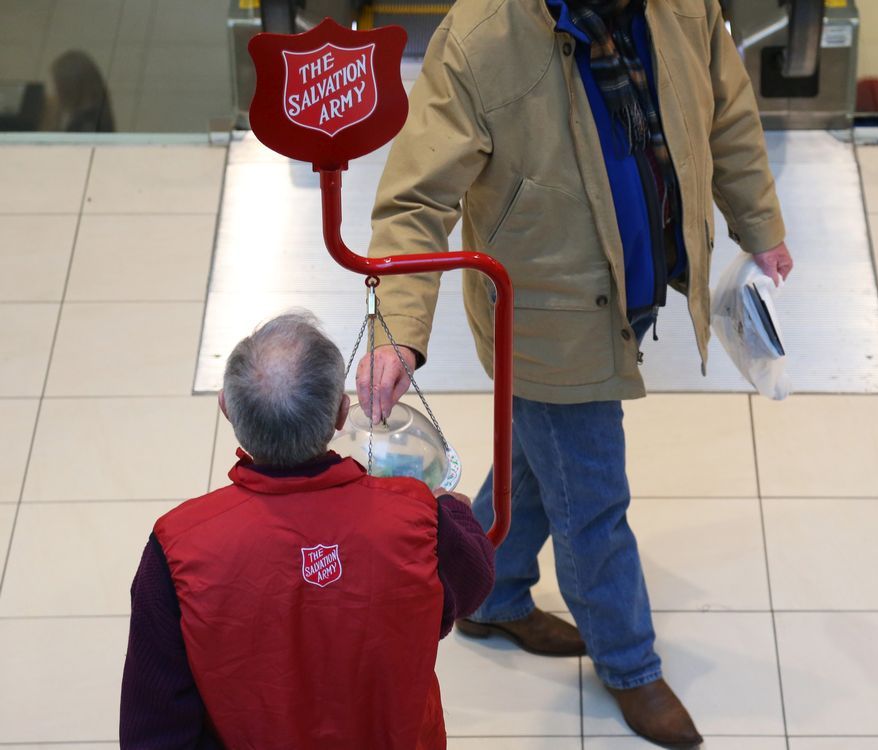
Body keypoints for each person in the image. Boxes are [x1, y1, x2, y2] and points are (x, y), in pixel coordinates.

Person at [359, 0, 794, 746]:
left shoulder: (682, 7)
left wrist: (760, 224)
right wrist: (398, 333)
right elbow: (415, 199)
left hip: (632, 289)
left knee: (543, 450)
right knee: (592, 499)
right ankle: (630, 665)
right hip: (544, 319)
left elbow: (725, 109)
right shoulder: (480, 38)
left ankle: (489, 595)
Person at [120, 312, 495, 749]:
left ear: (226, 407)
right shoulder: (416, 519)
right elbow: (475, 581)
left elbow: (154, 729)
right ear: (341, 413)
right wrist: (454, 511)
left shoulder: (178, 547)